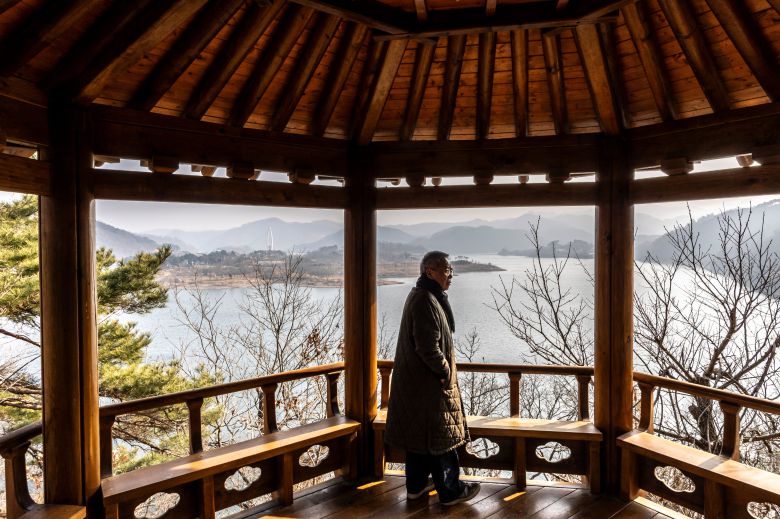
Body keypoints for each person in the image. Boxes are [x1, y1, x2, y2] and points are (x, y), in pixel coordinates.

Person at [384, 251, 481, 506]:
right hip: (428, 385)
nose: (451, 275)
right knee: (441, 439)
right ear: (430, 271)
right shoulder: (425, 300)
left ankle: (416, 487)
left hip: (417, 385)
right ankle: (450, 490)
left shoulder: (423, 296)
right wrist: (445, 372)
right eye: (447, 270)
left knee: (421, 438)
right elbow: (428, 347)